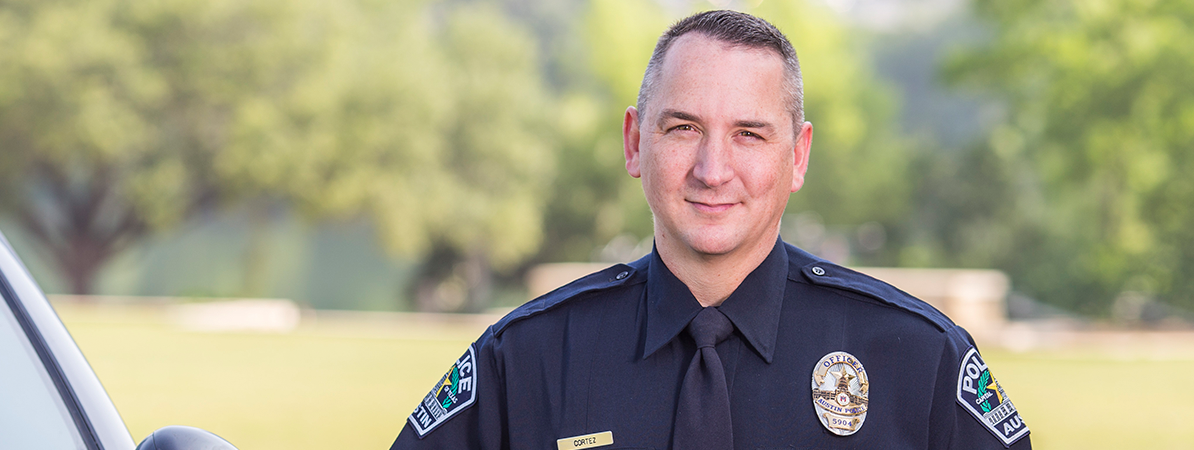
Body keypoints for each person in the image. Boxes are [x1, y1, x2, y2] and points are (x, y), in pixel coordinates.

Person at [390, 9, 1029, 450]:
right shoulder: (526, 360)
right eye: (683, 128)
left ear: (798, 155)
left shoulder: (918, 357)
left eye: (748, 134)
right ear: (636, 142)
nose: (712, 169)